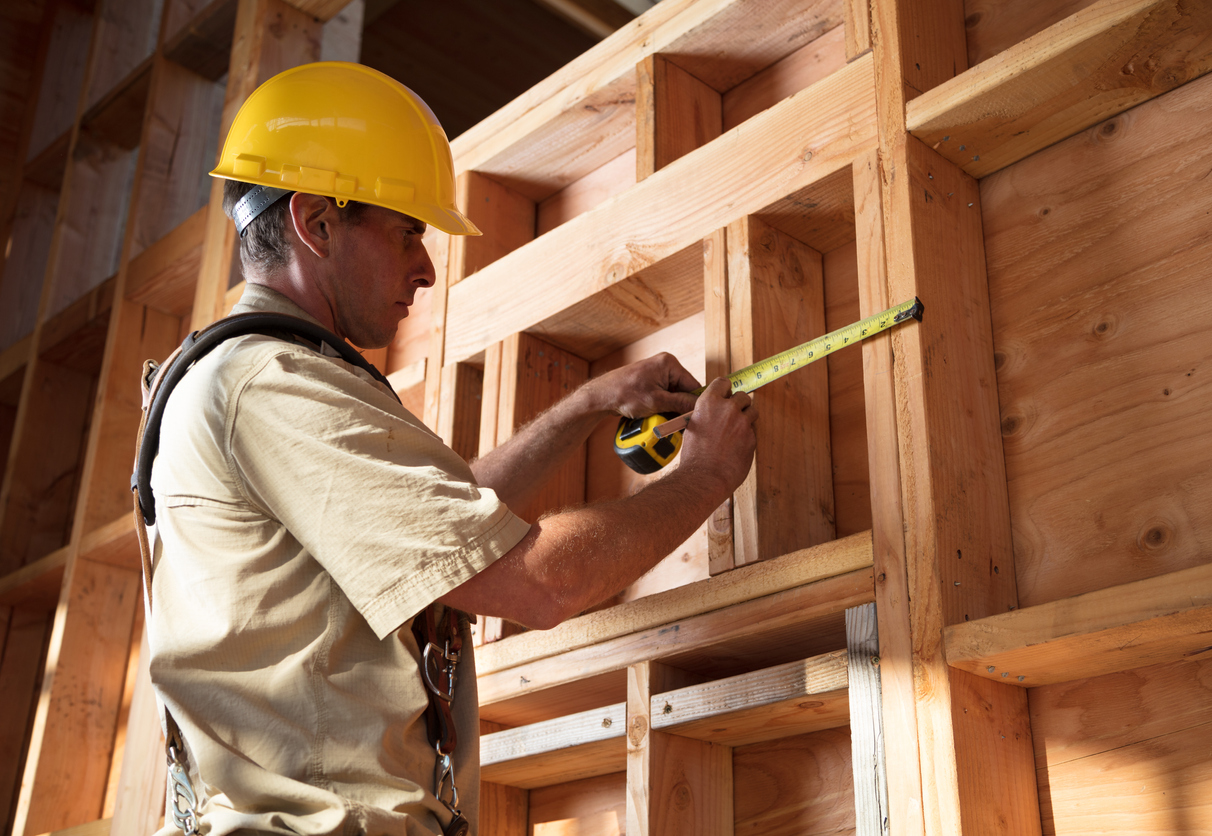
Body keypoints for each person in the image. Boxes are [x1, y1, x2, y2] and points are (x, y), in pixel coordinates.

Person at [142, 62, 756, 836]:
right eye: (407, 232)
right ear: (317, 222)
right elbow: (537, 584)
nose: (428, 269)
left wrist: (587, 405)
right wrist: (704, 476)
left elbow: (443, 534)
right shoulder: (273, 385)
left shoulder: (252, 380)